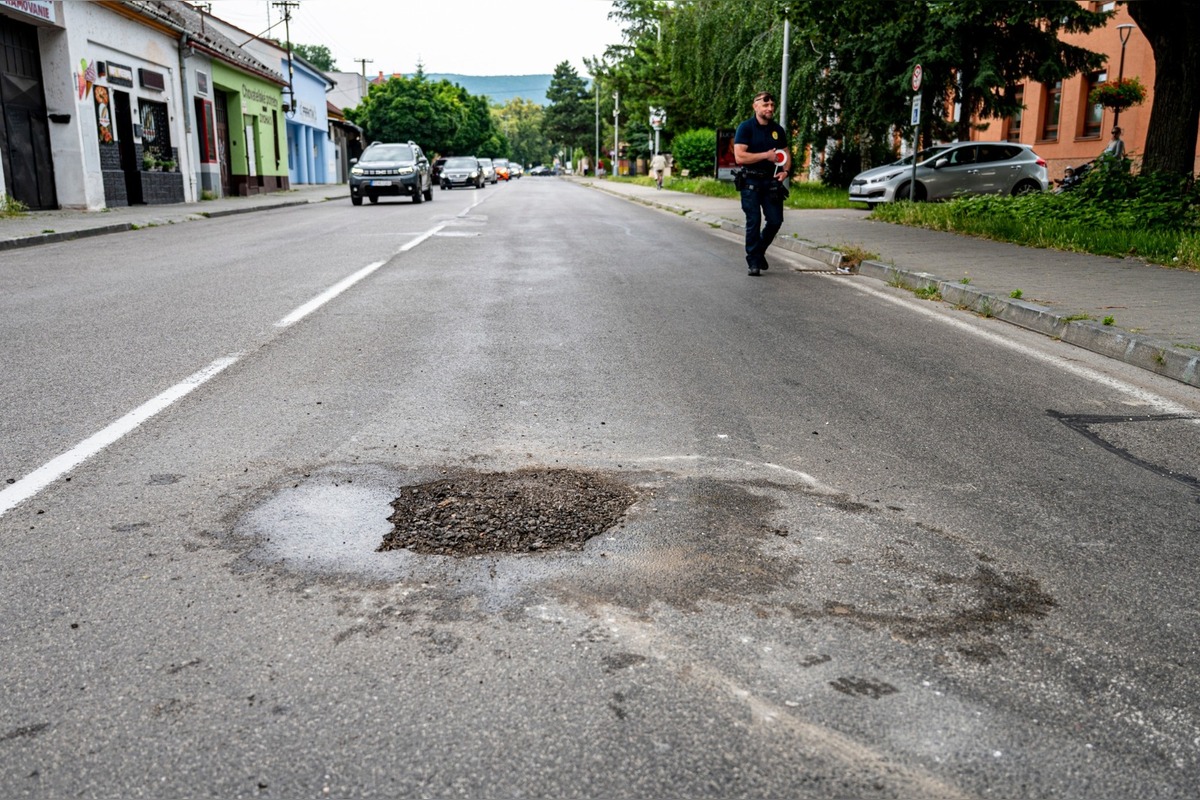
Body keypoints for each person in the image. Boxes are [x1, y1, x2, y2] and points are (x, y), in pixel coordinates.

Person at [733, 90, 791, 276]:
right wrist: (766, 155)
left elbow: (786, 155)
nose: (770, 108)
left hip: (771, 182)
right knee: (754, 221)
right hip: (750, 181)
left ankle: (758, 252)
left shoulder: (777, 130)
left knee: (775, 221)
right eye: (765, 105)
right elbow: (739, 156)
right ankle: (753, 261)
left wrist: (786, 172)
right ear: (755, 106)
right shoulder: (746, 128)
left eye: (772, 105)